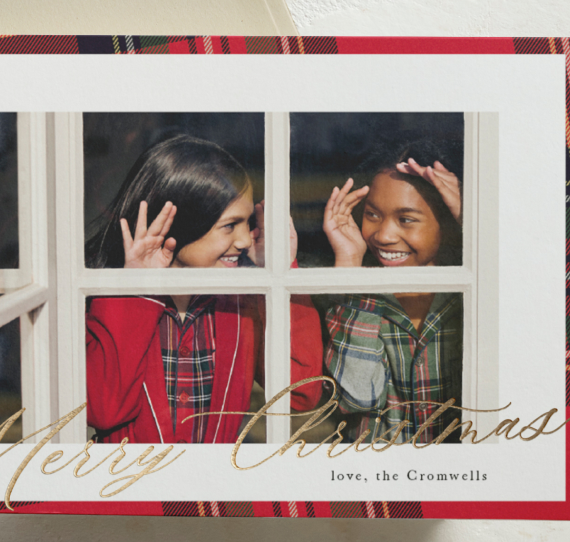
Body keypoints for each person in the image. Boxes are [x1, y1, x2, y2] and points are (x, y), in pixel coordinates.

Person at [84, 133, 324, 443]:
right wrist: (137, 289)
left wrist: (281, 277)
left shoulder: (240, 303)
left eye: (247, 222)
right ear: (181, 223)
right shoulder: (116, 301)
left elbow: (301, 394)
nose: (245, 240)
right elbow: (103, 411)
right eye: (229, 225)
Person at [319, 140, 464, 445]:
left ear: (447, 223)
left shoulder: (470, 293)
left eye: (406, 219)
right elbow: (355, 399)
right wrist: (348, 261)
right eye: (372, 215)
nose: (383, 235)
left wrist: (473, 222)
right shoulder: (360, 297)